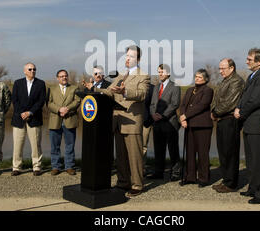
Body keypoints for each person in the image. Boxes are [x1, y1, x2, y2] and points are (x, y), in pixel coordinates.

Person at [85, 45, 150, 198]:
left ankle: (137, 185)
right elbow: (108, 92)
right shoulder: (121, 76)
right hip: (118, 121)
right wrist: (94, 89)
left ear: (138, 59)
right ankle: (123, 182)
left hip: (132, 121)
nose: (128, 59)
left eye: (132, 56)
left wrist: (125, 92)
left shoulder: (144, 76)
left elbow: (142, 94)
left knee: (134, 156)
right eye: (126, 56)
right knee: (120, 155)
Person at [234, 48, 260, 204]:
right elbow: (245, 96)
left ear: (259, 62)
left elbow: (256, 100)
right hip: (249, 123)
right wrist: (238, 107)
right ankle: (253, 187)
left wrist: (241, 112)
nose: (246, 61)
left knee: (259, 160)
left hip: (257, 124)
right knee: (251, 160)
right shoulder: (252, 76)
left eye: (249, 59)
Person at [211, 58, 245, 193]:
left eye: (223, 68)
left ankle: (231, 183)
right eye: (219, 68)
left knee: (230, 152)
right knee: (223, 152)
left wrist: (215, 112)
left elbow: (230, 102)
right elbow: (216, 99)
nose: (220, 71)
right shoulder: (225, 81)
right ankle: (226, 180)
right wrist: (213, 111)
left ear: (232, 68)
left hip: (230, 120)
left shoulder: (236, 81)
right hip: (221, 120)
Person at [179, 69, 214, 188]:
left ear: (205, 79)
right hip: (189, 125)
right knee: (190, 151)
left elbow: (202, 106)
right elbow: (183, 105)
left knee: (203, 153)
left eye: (199, 77)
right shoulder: (190, 90)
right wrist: (183, 118)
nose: (197, 79)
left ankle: (203, 178)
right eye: (196, 77)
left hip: (203, 125)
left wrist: (186, 115)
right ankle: (190, 176)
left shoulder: (208, 90)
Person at [11, 62, 46, 176]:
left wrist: (30, 112)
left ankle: (36, 167)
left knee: (36, 145)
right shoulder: (17, 83)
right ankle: (16, 167)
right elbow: (14, 100)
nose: (32, 71)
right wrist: (22, 112)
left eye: (34, 69)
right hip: (19, 118)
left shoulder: (40, 84)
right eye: (30, 69)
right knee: (17, 144)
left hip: (34, 118)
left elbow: (41, 101)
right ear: (25, 71)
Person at [148, 64, 181, 181]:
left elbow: (174, 104)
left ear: (168, 73)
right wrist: (153, 114)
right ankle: (158, 172)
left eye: (161, 72)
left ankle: (176, 172)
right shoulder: (156, 87)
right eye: (158, 72)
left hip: (170, 123)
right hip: (157, 123)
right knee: (158, 149)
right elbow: (152, 104)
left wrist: (162, 115)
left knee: (173, 149)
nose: (159, 74)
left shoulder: (175, 86)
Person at [47, 69, 81, 176]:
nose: (64, 78)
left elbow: (77, 101)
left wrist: (67, 108)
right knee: (54, 146)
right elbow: (49, 103)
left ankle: (69, 166)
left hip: (70, 119)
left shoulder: (74, 88)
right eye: (61, 76)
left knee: (69, 145)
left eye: (65, 76)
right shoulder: (51, 89)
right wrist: (59, 109)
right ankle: (55, 166)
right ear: (58, 78)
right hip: (55, 120)